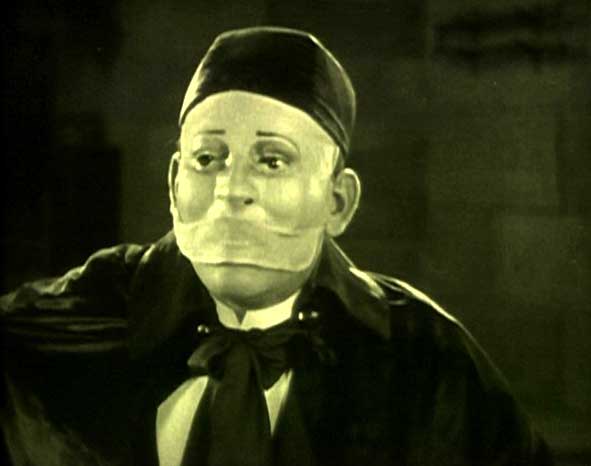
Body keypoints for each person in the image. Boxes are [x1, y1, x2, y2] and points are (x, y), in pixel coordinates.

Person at [0, 26, 552, 466]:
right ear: (173, 186)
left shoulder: (425, 361)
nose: (231, 189)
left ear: (337, 201)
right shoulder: (86, 314)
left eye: (272, 161)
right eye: (207, 159)